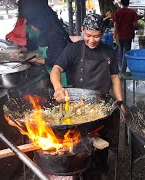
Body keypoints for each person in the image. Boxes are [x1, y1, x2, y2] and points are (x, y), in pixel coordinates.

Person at [50, 14, 123, 176]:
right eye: (88, 35)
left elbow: (115, 78)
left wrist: (120, 101)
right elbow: (56, 69)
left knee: (102, 145)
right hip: (76, 105)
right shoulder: (73, 49)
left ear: (103, 32)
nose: (91, 40)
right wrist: (58, 87)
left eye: (96, 36)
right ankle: (80, 165)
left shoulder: (108, 52)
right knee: (79, 145)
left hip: (101, 108)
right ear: (82, 30)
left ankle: (101, 168)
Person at [11, 0, 72, 87]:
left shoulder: (55, 35)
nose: (31, 27)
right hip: (53, 74)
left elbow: (56, 60)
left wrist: (37, 60)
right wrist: (22, 49)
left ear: (41, 23)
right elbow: (34, 44)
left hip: (64, 75)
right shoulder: (44, 31)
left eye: (34, 25)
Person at [114, 0, 139, 73]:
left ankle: (120, 68)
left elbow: (115, 25)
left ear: (121, 3)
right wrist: (138, 25)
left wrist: (114, 36)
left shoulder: (117, 12)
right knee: (126, 52)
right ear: (128, 3)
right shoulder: (132, 12)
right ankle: (123, 70)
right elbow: (136, 24)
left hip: (120, 35)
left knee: (120, 51)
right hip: (128, 35)